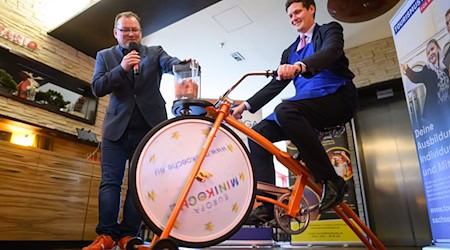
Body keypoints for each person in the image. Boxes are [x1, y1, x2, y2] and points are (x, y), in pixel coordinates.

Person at [231, 0, 358, 224]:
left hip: (336, 98)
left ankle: (332, 181)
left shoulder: (329, 30)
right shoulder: (289, 52)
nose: (294, 18)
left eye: (297, 12)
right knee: (258, 135)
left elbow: (331, 52)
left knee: (285, 110)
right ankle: (269, 206)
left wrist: (301, 66)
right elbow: (275, 85)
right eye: (290, 16)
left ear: (312, 9)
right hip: (305, 105)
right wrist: (246, 105)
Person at [83, 11, 191, 250]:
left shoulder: (154, 52)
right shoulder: (105, 56)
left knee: (140, 185)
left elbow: (171, 64)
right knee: (110, 183)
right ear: (116, 33)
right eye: (126, 30)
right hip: (116, 132)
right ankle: (106, 235)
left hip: (150, 131)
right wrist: (121, 68)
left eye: (135, 30)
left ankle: (128, 236)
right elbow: (97, 87)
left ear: (140, 33)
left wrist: (184, 66)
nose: (131, 34)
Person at [401, 39, 450, 128]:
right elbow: (416, 77)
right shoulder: (427, 70)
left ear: (438, 49)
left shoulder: (446, 69)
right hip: (434, 115)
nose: (430, 53)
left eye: (432, 49)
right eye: (428, 53)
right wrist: (407, 70)